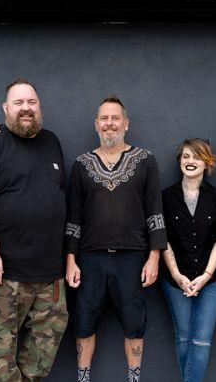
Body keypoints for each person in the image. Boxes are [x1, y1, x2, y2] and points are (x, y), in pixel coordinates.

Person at [0, 78, 68, 382]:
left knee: (44, 350)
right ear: (5, 108)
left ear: (39, 106)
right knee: (2, 359)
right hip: (3, 273)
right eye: (19, 103)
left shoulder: (52, 141)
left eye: (32, 102)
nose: (26, 108)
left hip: (50, 274)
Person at [65, 95, 167, 382]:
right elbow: (74, 217)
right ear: (96, 125)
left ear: (126, 123)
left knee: (134, 325)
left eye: (115, 118)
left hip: (132, 258)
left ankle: (133, 378)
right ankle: (82, 379)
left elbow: (154, 212)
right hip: (90, 259)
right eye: (104, 119)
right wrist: (71, 260)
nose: (110, 124)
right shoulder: (82, 164)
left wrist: (154, 257)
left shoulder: (145, 160)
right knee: (84, 324)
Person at [160, 138, 216, 382]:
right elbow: (163, 239)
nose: (191, 161)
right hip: (174, 280)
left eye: (197, 157)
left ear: (207, 162)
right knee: (183, 338)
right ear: (179, 161)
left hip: (211, 281)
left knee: (200, 341)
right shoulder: (166, 197)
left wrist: (206, 276)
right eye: (186, 156)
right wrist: (178, 275)